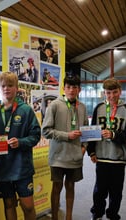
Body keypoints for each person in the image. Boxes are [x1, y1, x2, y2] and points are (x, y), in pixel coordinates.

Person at [0, 71, 41, 220]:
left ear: (16, 88)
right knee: (9, 204)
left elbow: (36, 135)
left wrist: (21, 142)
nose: (6, 88)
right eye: (3, 86)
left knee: (28, 206)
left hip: (22, 168)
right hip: (2, 168)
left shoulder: (26, 110)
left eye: (10, 85)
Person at [42, 74, 88, 220]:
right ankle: (55, 217)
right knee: (57, 188)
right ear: (64, 88)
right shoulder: (55, 105)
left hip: (75, 156)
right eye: (68, 87)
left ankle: (68, 217)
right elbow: (46, 131)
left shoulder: (82, 107)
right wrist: (67, 135)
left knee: (70, 186)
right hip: (57, 157)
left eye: (74, 87)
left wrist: (84, 147)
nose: (71, 90)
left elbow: (86, 130)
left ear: (79, 89)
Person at [87, 78, 126, 220]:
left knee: (116, 191)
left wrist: (113, 134)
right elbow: (92, 131)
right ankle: (97, 214)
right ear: (104, 93)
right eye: (108, 93)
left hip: (118, 158)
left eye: (114, 92)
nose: (111, 96)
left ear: (120, 91)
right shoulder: (98, 108)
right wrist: (91, 151)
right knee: (99, 190)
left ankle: (113, 215)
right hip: (101, 156)